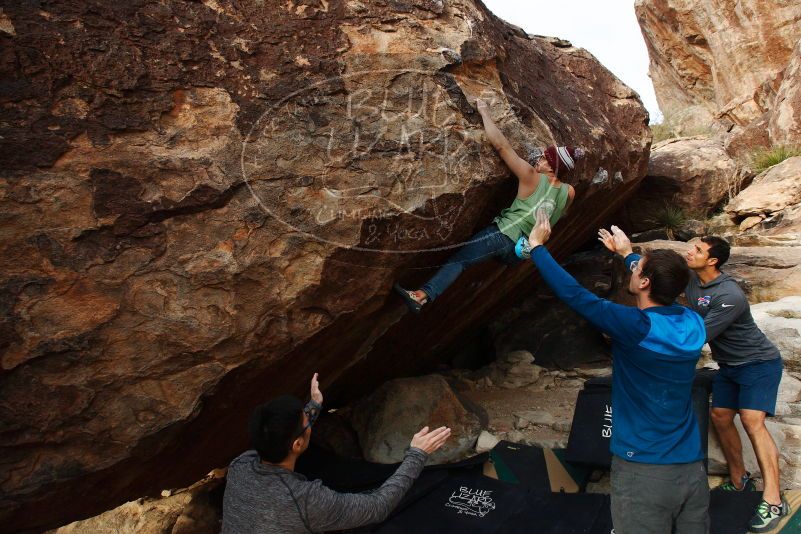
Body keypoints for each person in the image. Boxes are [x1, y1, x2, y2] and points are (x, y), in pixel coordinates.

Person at [526, 212, 709, 534]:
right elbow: (661, 282)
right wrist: (627, 255)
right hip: (692, 467)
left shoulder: (634, 327)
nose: (634, 270)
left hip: (644, 469)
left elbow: (576, 295)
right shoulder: (692, 323)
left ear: (645, 282)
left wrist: (538, 248)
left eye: (638, 269)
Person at [599, 227, 789, 533]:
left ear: (712, 261)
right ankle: (739, 480)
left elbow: (691, 337)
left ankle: (773, 498)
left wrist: (631, 331)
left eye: (698, 250)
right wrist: (626, 254)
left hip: (757, 362)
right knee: (720, 416)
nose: (690, 252)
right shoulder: (693, 284)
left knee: (753, 420)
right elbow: (659, 280)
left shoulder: (730, 296)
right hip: (728, 365)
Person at [394, 97, 582, 313]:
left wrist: (484, 112)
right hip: (519, 252)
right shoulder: (569, 192)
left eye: (543, 158)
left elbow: (502, 146)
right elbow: (558, 213)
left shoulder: (531, 176)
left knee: (460, 260)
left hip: (501, 235)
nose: (538, 159)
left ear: (551, 166)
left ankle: (421, 296)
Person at [222, 373, 452, 533]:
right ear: (297, 445)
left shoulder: (240, 465)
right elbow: (376, 507)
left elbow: (279, 436)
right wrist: (417, 455)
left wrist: (313, 407)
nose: (309, 423)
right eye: (307, 423)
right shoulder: (306, 501)